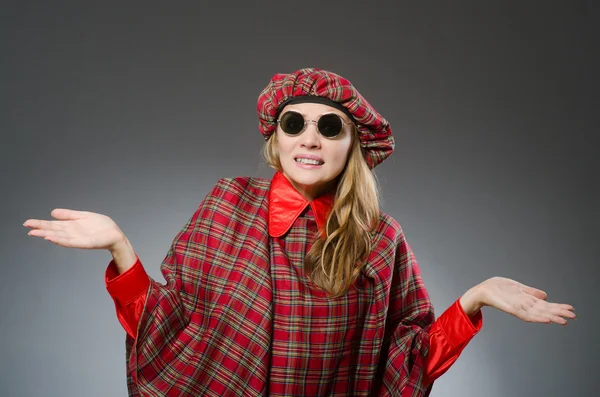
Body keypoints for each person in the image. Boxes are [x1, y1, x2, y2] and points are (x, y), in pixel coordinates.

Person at [24, 68, 575, 397]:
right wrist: (121, 248)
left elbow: (405, 363)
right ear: (277, 138)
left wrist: (474, 300)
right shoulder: (227, 203)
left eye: (329, 126)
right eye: (295, 123)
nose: (310, 138)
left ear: (352, 145)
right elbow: (168, 323)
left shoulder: (381, 239)